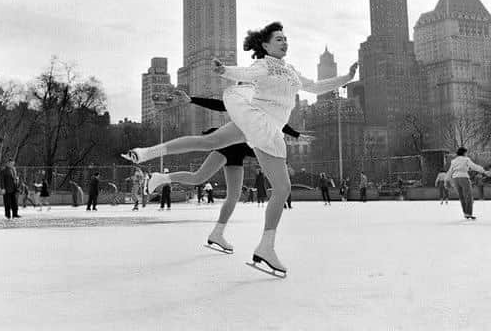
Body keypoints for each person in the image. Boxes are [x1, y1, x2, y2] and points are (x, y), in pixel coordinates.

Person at [122, 21, 358, 275]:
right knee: (282, 187)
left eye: (285, 38)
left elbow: (315, 86)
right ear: (266, 45)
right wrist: (225, 71)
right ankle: (266, 246)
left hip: (258, 124)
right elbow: (246, 73)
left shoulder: (291, 71)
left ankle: (147, 153)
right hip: (261, 124)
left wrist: (346, 77)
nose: (284, 41)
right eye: (278, 39)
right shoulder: (264, 64)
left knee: (209, 144)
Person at [445, 147, 490, 220]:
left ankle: (465, 213)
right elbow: (474, 166)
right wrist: (484, 171)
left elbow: (450, 171)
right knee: (468, 196)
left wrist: (446, 180)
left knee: (461, 197)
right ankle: (469, 213)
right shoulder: (466, 159)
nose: (467, 154)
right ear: (464, 153)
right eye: (466, 152)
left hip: (455, 179)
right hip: (464, 177)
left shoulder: (454, 161)